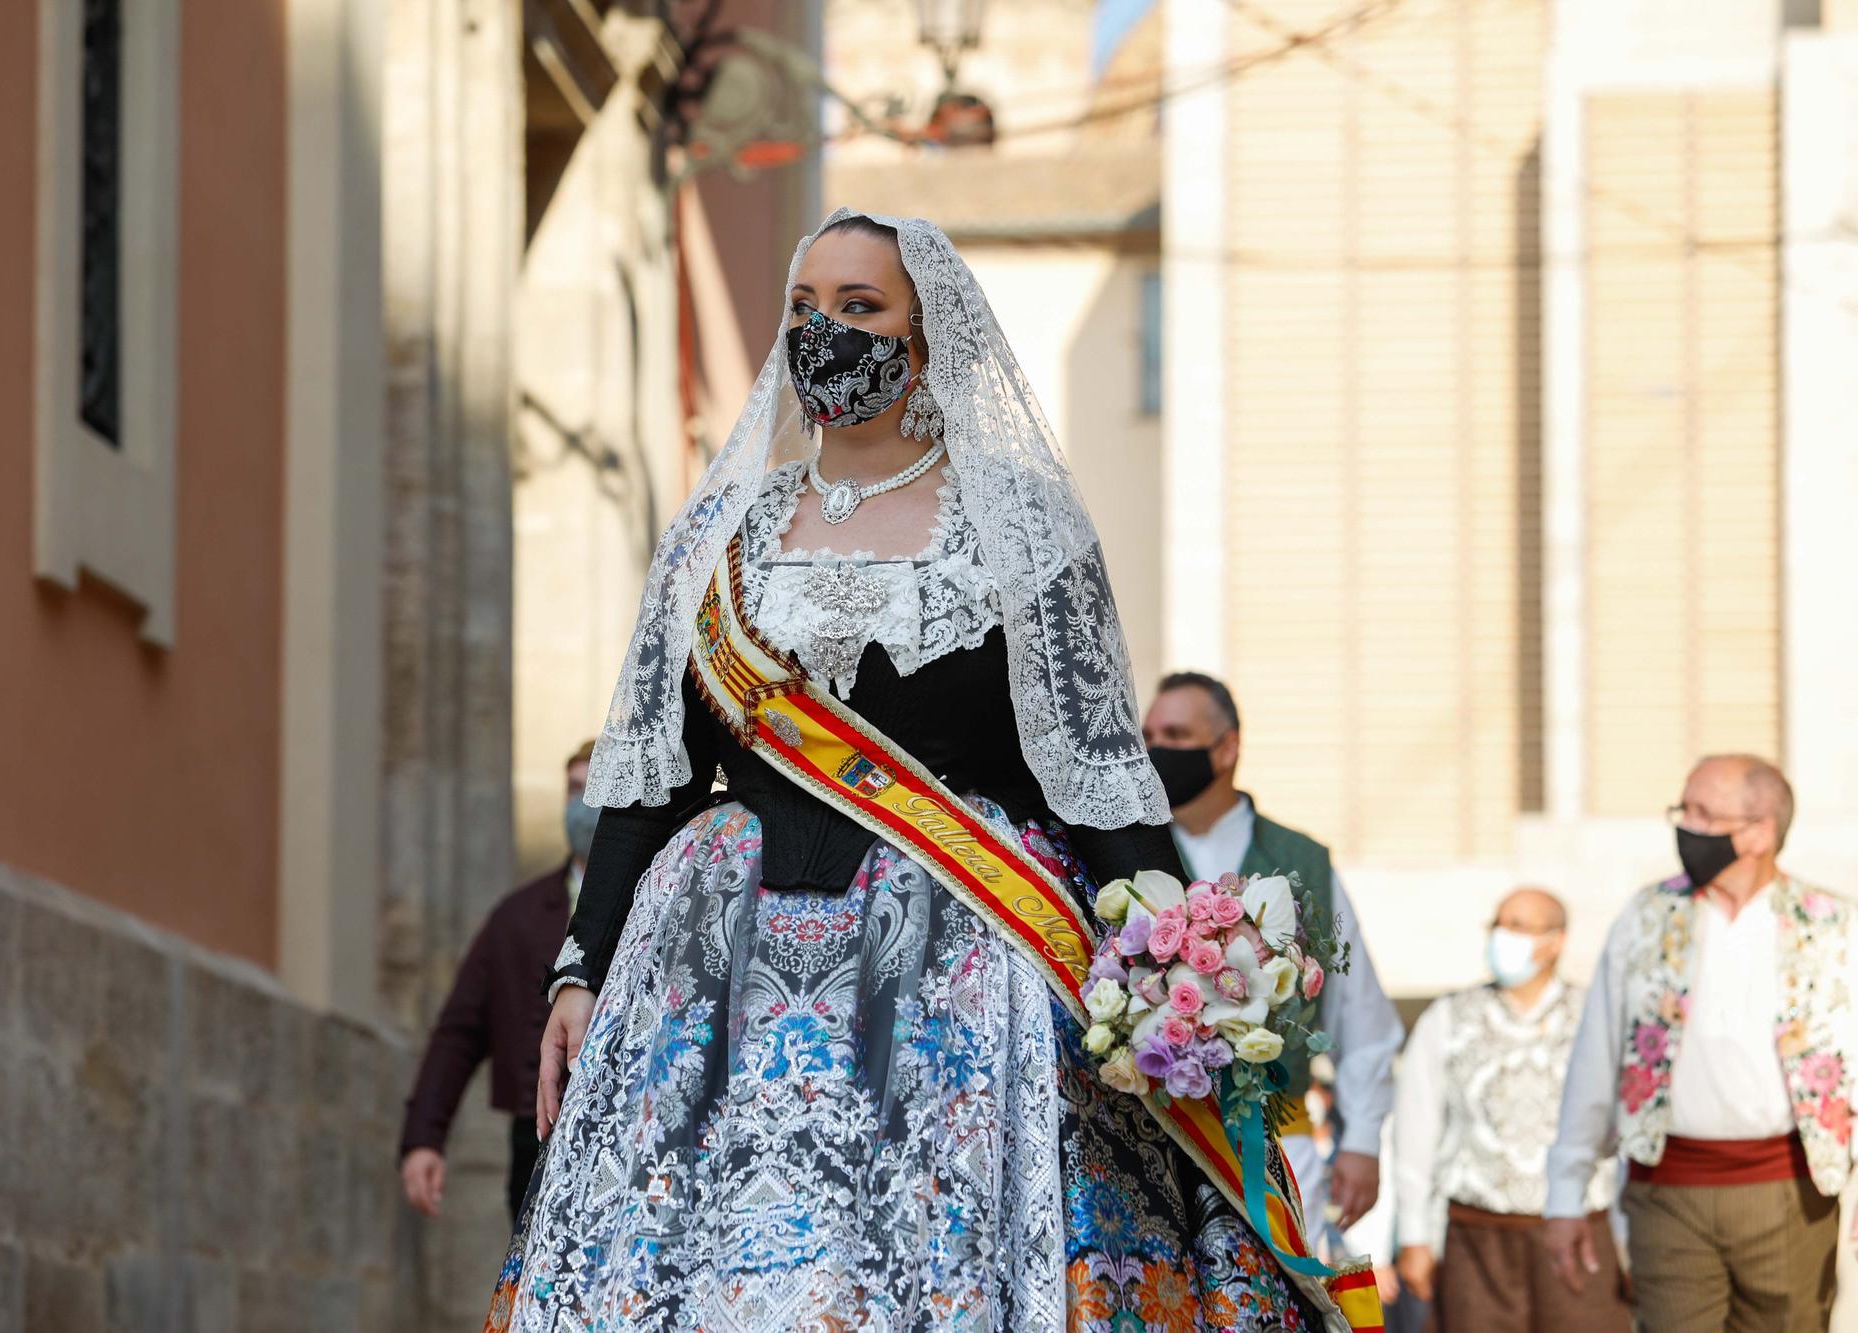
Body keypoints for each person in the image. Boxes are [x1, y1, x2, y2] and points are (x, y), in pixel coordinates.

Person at [484, 211, 1358, 1331]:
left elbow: (1089, 780)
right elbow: (650, 777)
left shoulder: (1020, 529)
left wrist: (1186, 967)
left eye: (860, 309)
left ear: (926, 335)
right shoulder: (718, 531)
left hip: (958, 969)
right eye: (805, 308)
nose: (825, 335)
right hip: (711, 973)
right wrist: (579, 966)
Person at [1546, 755, 1853, 1333]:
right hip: (1668, 1195)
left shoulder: (1834, 926)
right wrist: (1565, 1193)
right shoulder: (1646, 916)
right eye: (1682, 809)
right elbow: (1595, 1058)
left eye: (1703, 813)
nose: (1685, 826)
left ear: (1760, 831)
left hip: (1791, 1194)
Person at [1142, 671, 1403, 1252]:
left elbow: (1360, 1016)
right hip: (1158, 1143)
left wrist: (1361, 1141)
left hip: (1283, 1149)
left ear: (1227, 747)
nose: (1156, 750)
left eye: (1177, 734)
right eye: (1148, 734)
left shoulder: (1301, 861)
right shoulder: (1129, 854)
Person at [1393, 888, 1627, 1332]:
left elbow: (1624, 1135)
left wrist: (1631, 1240)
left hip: (1579, 1236)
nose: (1502, 936)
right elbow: (1414, 1131)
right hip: (1478, 1240)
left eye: (1518, 926)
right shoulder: (1448, 1017)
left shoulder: (1595, 1015)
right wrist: (1414, 1237)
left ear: (1555, 941)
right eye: (1499, 924)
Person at [398, 741, 596, 1227]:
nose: (581, 804)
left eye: (592, 788)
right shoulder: (518, 916)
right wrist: (424, 1137)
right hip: (537, 1139)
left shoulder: (664, 894)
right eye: (572, 789)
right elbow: (460, 1030)